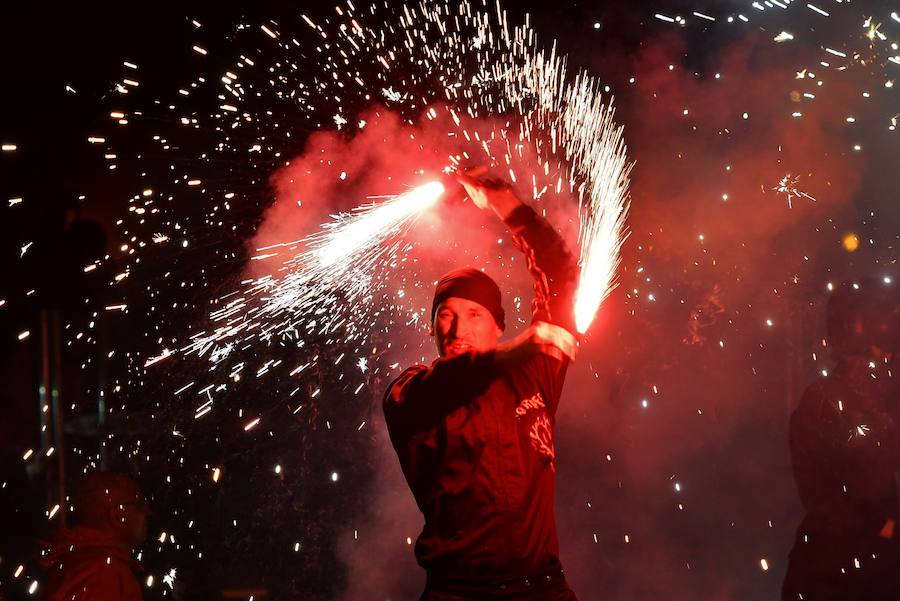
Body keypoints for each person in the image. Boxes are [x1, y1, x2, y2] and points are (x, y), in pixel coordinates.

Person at [383, 172, 580, 600]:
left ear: (498, 325)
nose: (456, 328)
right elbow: (446, 384)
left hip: (545, 591)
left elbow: (560, 274)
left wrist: (507, 204)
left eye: (473, 314)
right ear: (432, 328)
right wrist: (510, 355)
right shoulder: (412, 393)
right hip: (461, 594)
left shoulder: (533, 375)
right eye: (445, 315)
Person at [783, 279, 900, 600]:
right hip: (836, 570)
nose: (885, 357)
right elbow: (822, 496)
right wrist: (881, 528)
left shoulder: (883, 398)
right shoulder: (822, 403)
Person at [41, 472, 148, 601]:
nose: (147, 513)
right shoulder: (105, 575)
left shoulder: (79, 562)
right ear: (118, 515)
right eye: (139, 505)